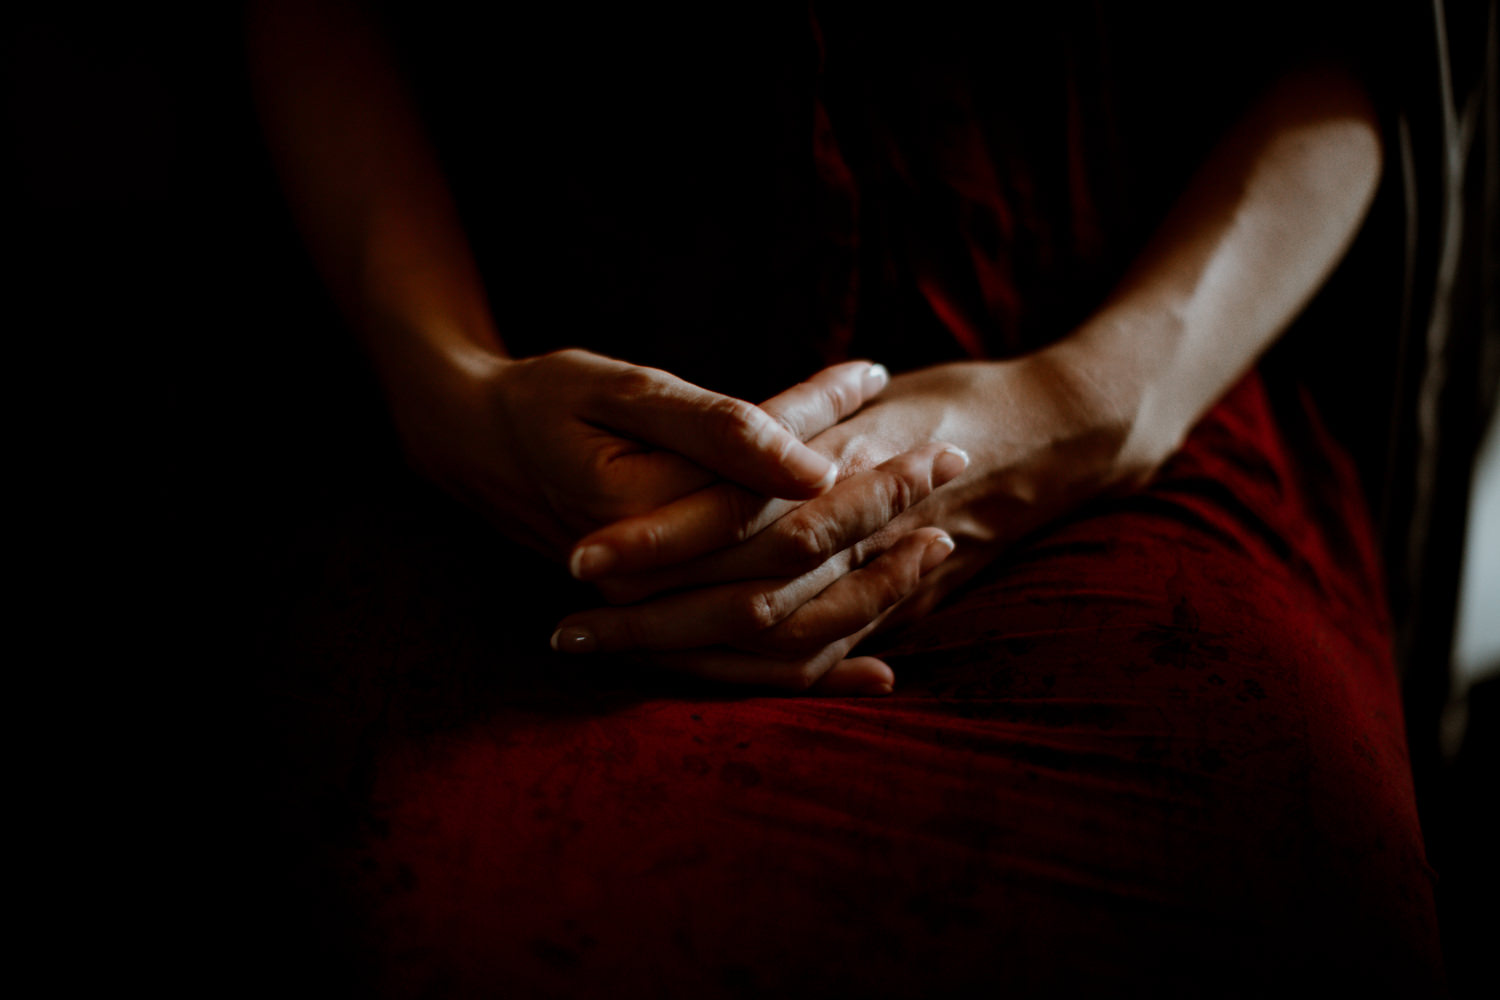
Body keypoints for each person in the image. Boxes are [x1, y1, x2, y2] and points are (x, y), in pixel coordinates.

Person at [247, 1, 1446, 994]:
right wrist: (440, 374)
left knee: (1288, 901)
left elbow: (1366, 41)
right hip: (509, 422)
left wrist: (1093, 401)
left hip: (1121, 374)